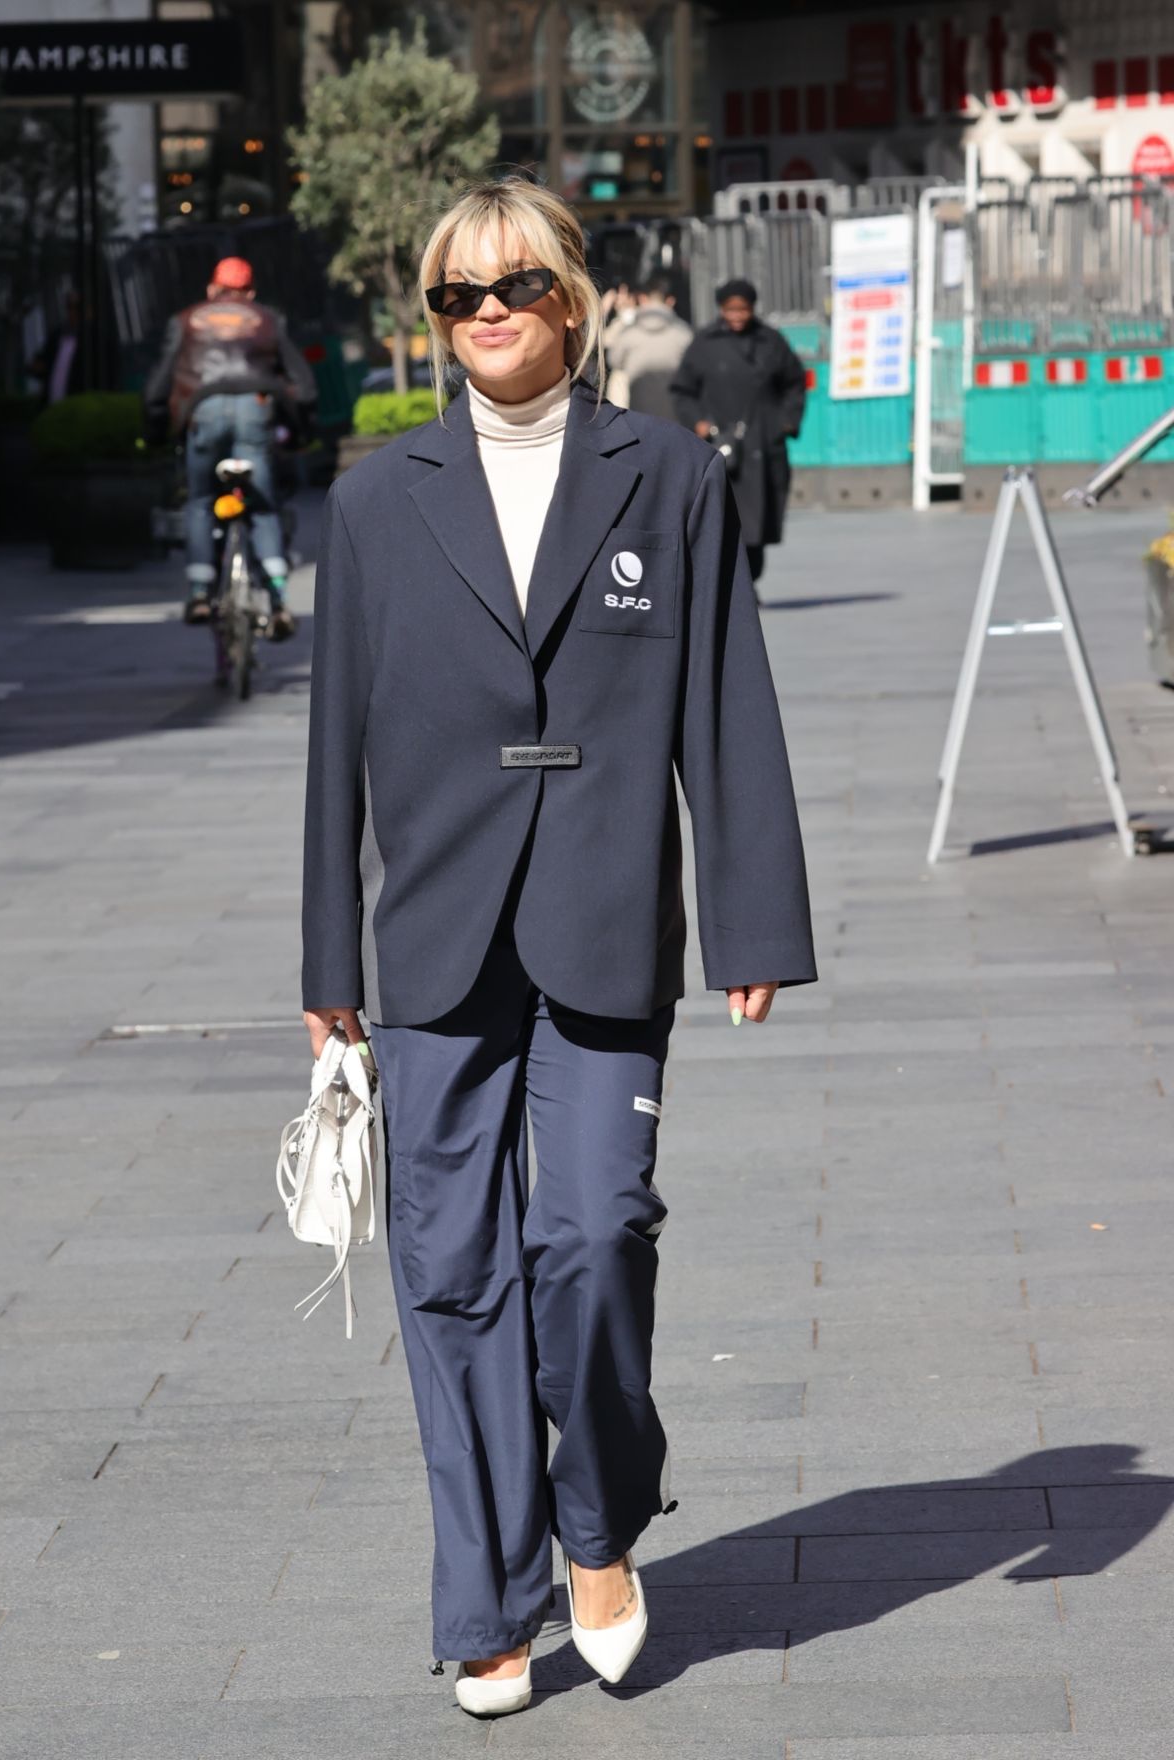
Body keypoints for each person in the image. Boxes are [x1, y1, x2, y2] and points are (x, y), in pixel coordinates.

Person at [300, 176, 815, 1718]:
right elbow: (333, 746)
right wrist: (332, 966)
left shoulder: (663, 473)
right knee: (448, 1275)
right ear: (435, 317)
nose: (487, 314)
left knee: (590, 1237)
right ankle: (487, 1598)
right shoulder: (374, 500)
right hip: (435, 940)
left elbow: (727, 698)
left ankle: (599, 1522)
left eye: (515, 284)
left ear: (573, 296)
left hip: (603, 920)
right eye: (458, 295)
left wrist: (752, 918)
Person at [144, 256, 317, 639]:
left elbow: (159, 385)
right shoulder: (267, 319)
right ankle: (278, 598)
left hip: (201, 410)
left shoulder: (186, 319)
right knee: (263, 505)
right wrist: (303, 430)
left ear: (212, 289)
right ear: (250, 292)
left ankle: (201, 591)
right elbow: (303, 385)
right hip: (256, 409)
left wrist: (156, 429)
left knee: (201, 500)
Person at [670, 276, 807, 594]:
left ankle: (750, 579)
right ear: (721, 309)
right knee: (725, 517)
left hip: (762, 443)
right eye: (730, 309)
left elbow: (794, 382)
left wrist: (786, 422)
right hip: (719, 447)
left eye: (742, 309)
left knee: (758, 523)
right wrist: (699, 424)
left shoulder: (770, 341)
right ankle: (736, 586)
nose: (737, 316)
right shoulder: (704, 344)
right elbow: (682, 391)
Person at [602, 272, 693, 422]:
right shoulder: (683, 334)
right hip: (675, 417)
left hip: (637, 415)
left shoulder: (628, 332)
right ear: (670, 301)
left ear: (642, 299)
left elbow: (614, 360)